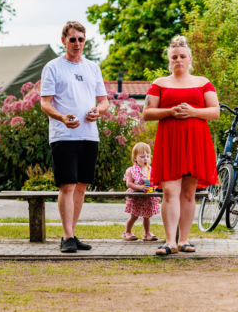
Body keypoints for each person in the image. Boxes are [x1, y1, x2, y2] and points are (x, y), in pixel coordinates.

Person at [143, 36, 219, 257]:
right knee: (169, 191)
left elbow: (215, 111)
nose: (178, 60)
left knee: (188, 193)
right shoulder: (159, 83)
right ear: (169, 60)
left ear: (190, 59)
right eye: (174, 57)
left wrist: (194, 111)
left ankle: (184, 239)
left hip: (196, 142)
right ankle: (169, 241)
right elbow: (147, 113)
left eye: (182, 56)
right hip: (170, 141)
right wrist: (170, 111)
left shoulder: (203, 82)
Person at [40, 21, 109, 254]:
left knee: (81, 185)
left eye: (81, 39)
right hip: (64, 135)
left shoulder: (93, 67)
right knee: (67, 185)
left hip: (90, 135)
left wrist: (98, 111)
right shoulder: (53, 67)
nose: (77, 43)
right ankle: (67, 236)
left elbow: (103, 100)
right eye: (73, 39)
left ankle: (71, 233)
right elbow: (45, 103)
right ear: (64, 41)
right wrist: (61, 117)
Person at [122, 142, 160, 242]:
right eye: (142, 156)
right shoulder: (132, 170)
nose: (146, 159)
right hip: (136, 196)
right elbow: (129, 183)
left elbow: (155, 182)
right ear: (135, 158)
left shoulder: (151, 170)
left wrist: (154, 187)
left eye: (148, 156)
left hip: (147, 197)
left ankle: (147, 233)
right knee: (134, 216)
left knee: (147, 216)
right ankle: (127, 232)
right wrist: (139, 187)